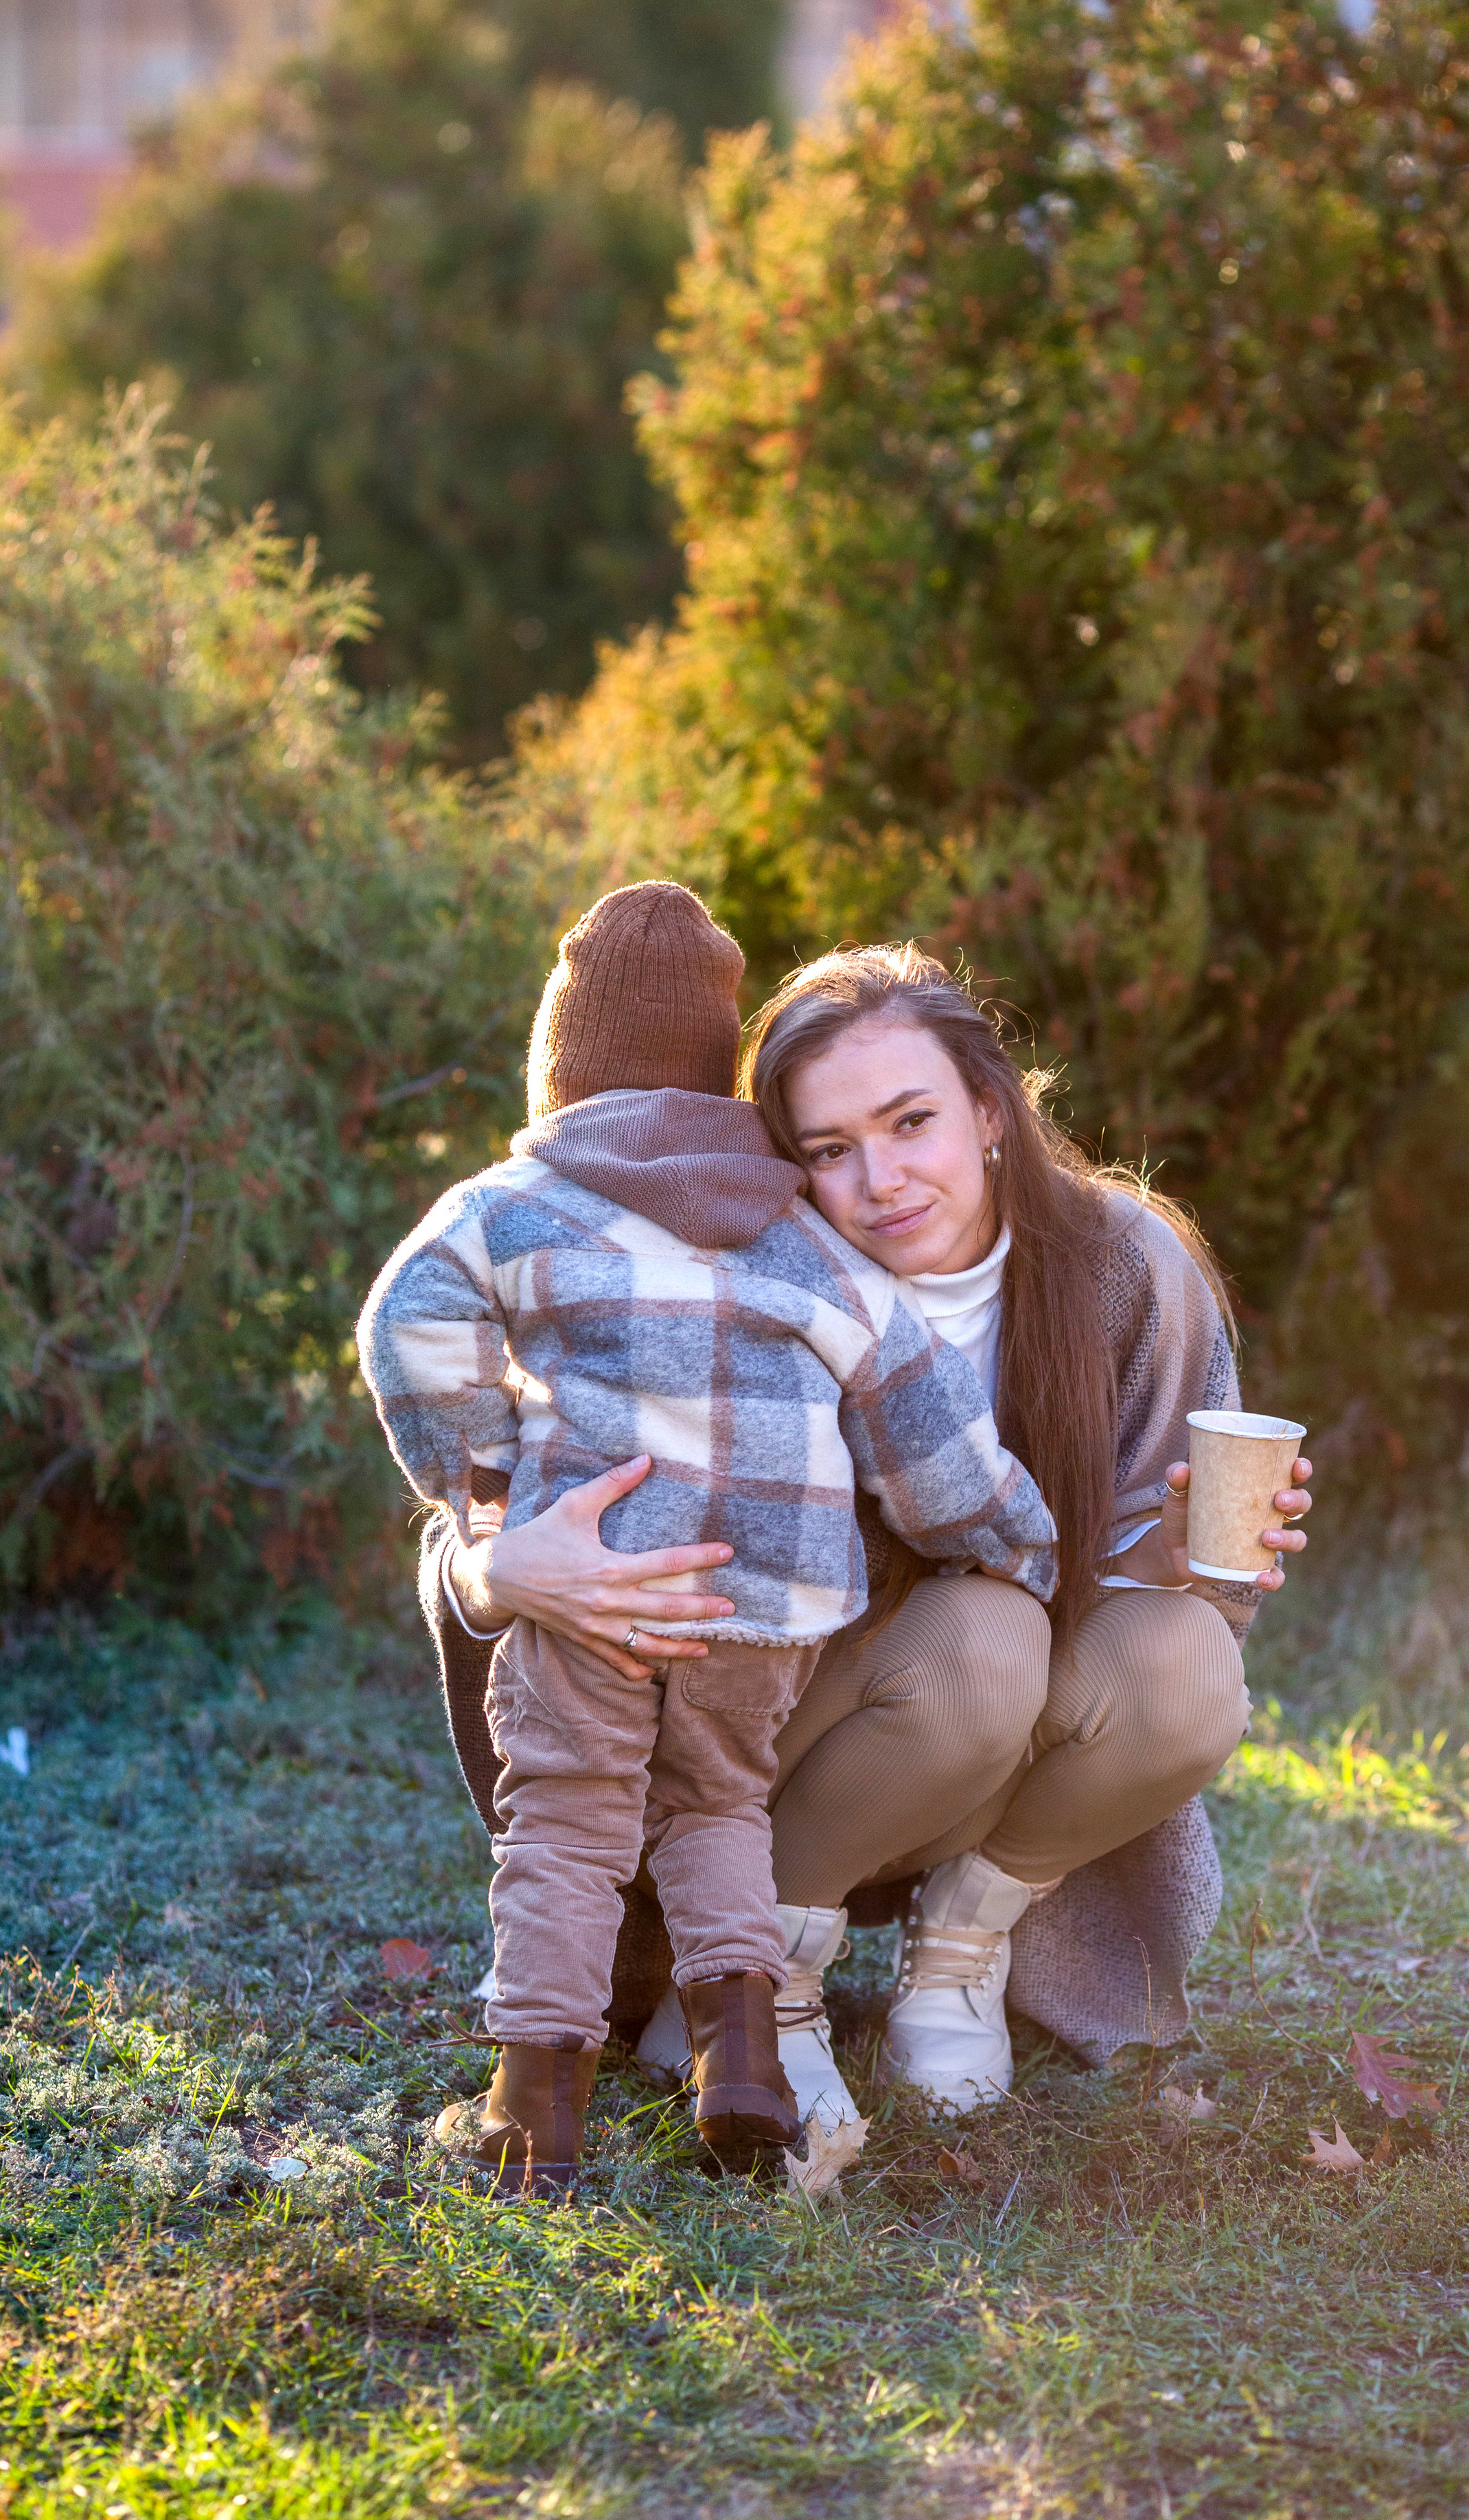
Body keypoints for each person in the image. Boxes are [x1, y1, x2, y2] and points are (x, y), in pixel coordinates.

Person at [445, 938, 1311, 2132]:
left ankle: (964, 1945)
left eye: (914, 1123)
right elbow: (480, 1483)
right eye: (831, 1150)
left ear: (993, 1113)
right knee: (984, 1638)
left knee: (1191, 1670)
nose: (884, 1179)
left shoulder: (1127, 1269)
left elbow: (1171, 1579)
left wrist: (1169, 1566)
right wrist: (494, 1565)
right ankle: (761, 1976)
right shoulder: (733, 1275)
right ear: (784, 1162)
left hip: (996, 1754)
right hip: (777, 1745)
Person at [358, 891, 1056, 2190]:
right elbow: (919, 1413)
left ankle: (530, 2104)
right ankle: (741, 2066)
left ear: (559, 1067)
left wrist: (487, 1478)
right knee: (720, 1807)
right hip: (767, 1599)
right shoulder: (799, 1234)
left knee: (567, 1821)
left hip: (598, 1579)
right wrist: (1015, 1541)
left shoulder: (517, 1201)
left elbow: (406, 1319)